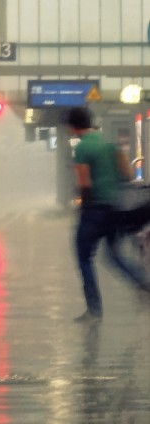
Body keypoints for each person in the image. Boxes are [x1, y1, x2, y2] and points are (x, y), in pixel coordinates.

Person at [64, 106, 150, 322]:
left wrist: (82, 209)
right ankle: (142, 282)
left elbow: (84, 183)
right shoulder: (107, 142)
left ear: (73, 126)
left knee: (84, 257)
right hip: (115, 210)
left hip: (95, 210)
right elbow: (127, 173)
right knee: (112, 254)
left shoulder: (82, 147)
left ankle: (94, 310)